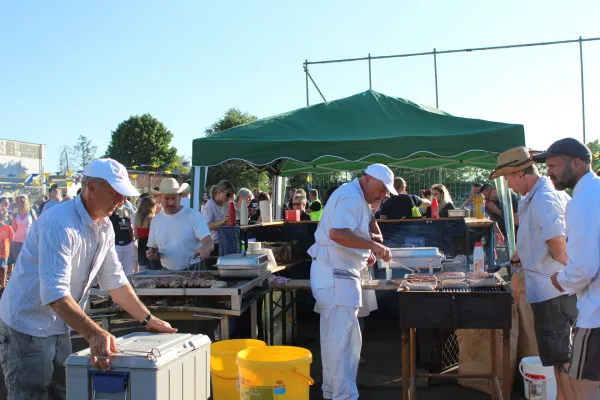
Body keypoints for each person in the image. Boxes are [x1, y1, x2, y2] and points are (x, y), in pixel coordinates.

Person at [0, 158, 177, 399]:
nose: (122, 200)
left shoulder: (105, 226)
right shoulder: (59, 223)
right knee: (30, 394)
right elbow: (54, 292)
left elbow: (115, 280)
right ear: (91, 187)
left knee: (64, 392)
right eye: (116, 193)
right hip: (26, 325)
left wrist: (148, 318)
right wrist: (94, 334)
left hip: (60, 323)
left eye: (124, 194)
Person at [490, 146, 577, 399]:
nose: (509, 185)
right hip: (553, 290)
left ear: (519, 174)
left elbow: (558, 241)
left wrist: (568, 275)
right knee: (558, 360)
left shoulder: (543, 197)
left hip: (554, 293)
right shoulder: (539, 196)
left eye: (507, 179)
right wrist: (523, 254)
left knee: (562, 361)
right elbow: (542, 234)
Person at [309, 164, 394, 399]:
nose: (384, 195)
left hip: (335, 273)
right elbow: (337, 233)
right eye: (382, 189)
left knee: (335, 340)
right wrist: (374, 247)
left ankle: (333, 392)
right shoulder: (351, 196)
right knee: (343, 342)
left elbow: (352, 233)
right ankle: (343, 396)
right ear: (367, 179)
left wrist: (363, 252)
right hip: (336, 276)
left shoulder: (355, 196)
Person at [533, 138, 600, 398]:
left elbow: (582, 268)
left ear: (577, 163)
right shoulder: (593, 192)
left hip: (595, 316)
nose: (549, 171)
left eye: (554, 165)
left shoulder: (583, 200)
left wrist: (561, 280)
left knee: (584, 385)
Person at [147, 178, 213, 271]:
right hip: (166, 271)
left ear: (180, 196)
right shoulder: (156, 220)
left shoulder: (193, 215)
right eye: (166, 198)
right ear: (160, 197)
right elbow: (153, 249)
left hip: (193, 270)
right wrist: (152, 255)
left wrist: (204, 249)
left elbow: (208, 242)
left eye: (173, 198)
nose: (171, 202)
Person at [201, 180, 235, 266]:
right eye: (228, 194)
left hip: (224, 244)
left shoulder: (226, 205)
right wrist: (222, 221)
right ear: (218, 192)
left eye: (231, 195)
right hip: (213, 246)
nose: (229, 197)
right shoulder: (210, 205)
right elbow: (205, 226)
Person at [8, 195, 37, 278]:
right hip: (16, 239)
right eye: (18, 201)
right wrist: (12, 219)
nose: (19, 203)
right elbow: (14, 228)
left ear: (25, 202)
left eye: (21, 201)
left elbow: (36, 223)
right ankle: (17, 278)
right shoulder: (15, 213)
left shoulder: (31, 211)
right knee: (17, 261)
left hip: (29, 240)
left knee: (28, 260)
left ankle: (27, 277)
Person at [110, 202, 136, 276]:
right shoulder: (112, 210)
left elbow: (130, 225)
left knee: (129, 270)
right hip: (116, 244)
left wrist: (132, 240)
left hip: (128, 243)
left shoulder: (127, 209)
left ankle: (129, 285)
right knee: (116, 270)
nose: (123, 199)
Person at [135, 196, 158, 271]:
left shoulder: (137, 218)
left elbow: (136, 235)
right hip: (150, 246)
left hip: (141, 245)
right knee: (152, 270)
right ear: (151, 207)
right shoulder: (152, 218)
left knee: (142, 269)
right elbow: (155, 235)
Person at [0, 210, 14, 290]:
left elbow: (12, 238)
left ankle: (3, 285)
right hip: (3, 251)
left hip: (3, 251)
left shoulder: (8, 227)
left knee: (3, 267)